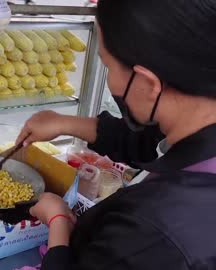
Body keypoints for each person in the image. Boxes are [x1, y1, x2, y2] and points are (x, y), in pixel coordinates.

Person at [15, 0, 216, 269]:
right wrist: (62, 123)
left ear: (148, 82)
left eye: (107, 66)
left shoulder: (151, 231)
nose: (109, 78)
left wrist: (58, 222)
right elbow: (148, 142)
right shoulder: (197, 118)